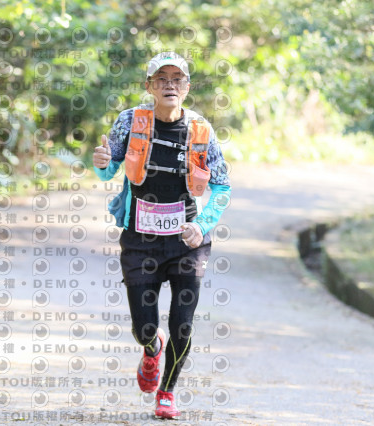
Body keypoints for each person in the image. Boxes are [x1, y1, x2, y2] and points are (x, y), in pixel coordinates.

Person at [93, 51, 231, 419]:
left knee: (182, 322)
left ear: (187, 87)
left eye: (177, 79)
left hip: (188, 240)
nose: (170, 85)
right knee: (144, 327)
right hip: (140, 240)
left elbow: (222, 187)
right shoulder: (130, 121)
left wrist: (201, 226)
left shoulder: (201, 129)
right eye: (162, 79)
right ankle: (151, 347)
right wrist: (102, 164)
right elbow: (109, 170)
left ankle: (167, 392)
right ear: (150, 86)